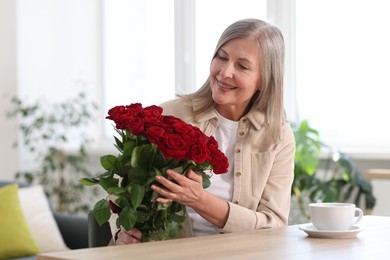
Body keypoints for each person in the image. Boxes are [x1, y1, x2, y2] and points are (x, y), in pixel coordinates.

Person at [114, 18, 295, 244]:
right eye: (222, 57)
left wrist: (200, 200)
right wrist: (123, 233)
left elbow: (275, 225)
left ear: (264, 80)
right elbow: (121, 195)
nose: (225, 72)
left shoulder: (278, 136)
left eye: (242, 66)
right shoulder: (168, 115)